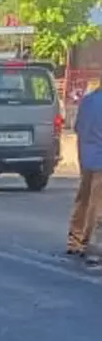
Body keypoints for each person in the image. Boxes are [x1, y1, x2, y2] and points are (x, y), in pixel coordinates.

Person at [67, 79, 102, 265]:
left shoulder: (87, 101)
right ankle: (89, 242)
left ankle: (75, 240)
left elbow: (78, 127)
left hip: (86, 158)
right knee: (97, 204)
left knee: (83, 199)